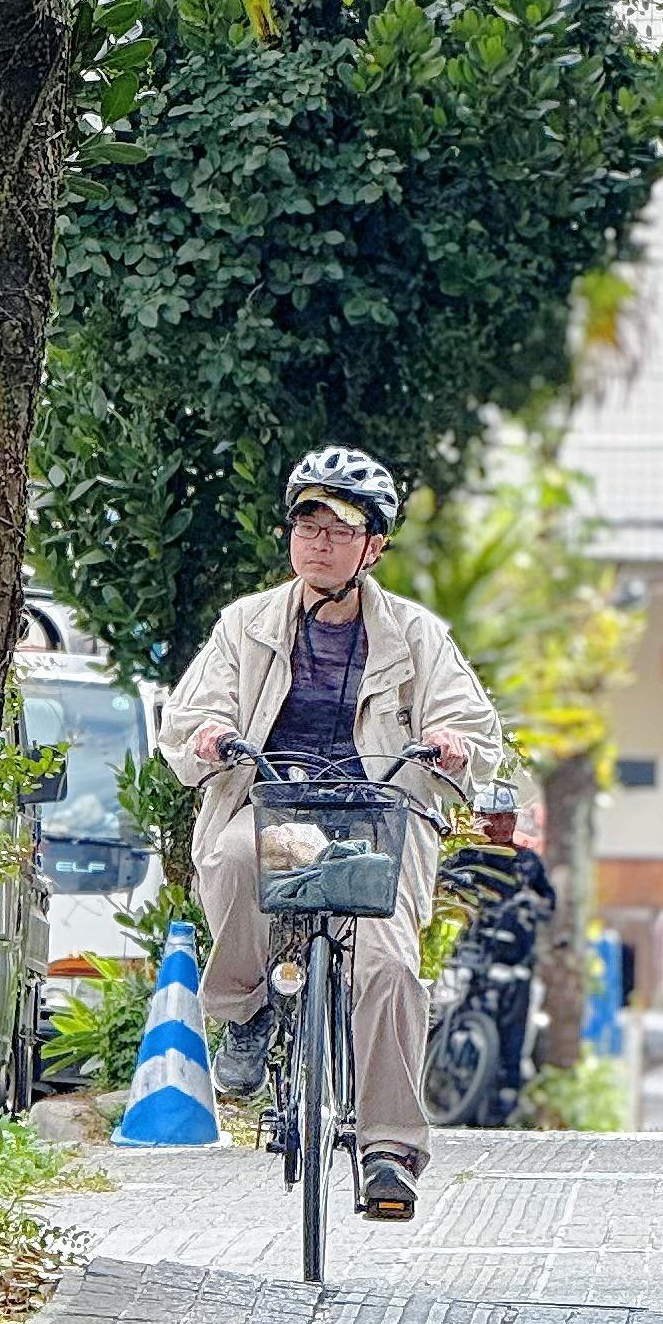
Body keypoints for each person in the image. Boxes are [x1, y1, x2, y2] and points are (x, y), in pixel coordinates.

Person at [157, 444, 502, 1222]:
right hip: (281, 809)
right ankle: (244, 1010)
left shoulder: (415, 634)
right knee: (236, 857)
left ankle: (387, 1148)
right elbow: (189, 714)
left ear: (372, 546)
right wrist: (212, 732)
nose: (317, 540)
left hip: (382, 816)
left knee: (387, 968)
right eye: (305, 523)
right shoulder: (244, 625)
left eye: (338, 527)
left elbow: (470, 722)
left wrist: (449, 741)